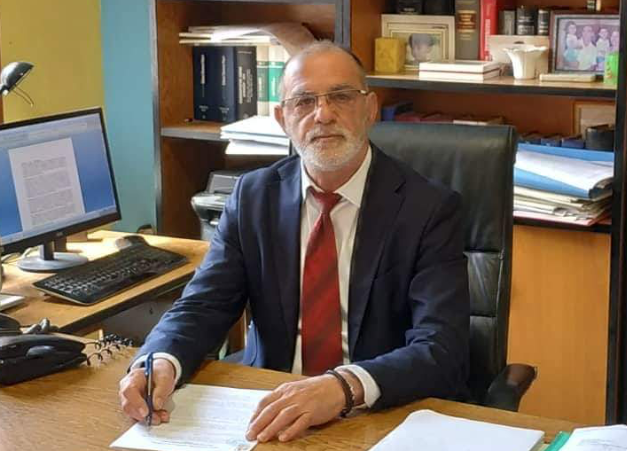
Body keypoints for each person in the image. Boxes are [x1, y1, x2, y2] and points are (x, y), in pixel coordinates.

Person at [118, 41, 470, 443]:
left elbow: (442, 347)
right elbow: (204, 304)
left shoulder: (428, 208)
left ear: (370, 109)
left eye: (341, 96)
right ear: (283, 119)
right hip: (268, 408)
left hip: (375, 414)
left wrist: (343, 387)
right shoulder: (253, 197)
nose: (323, 114)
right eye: (304, 101)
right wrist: (160, 359)